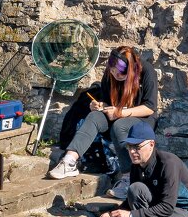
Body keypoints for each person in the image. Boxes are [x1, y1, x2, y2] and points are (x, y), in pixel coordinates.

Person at [47, 46, 158, 199]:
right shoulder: (110, 73)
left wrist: (120, 112)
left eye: (118, 73)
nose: (115, 75)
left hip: (142, 118)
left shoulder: (146, 71)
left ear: (130, 69)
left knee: (119, 126)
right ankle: (70, 161)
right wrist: (99, 105)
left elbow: (150, 108)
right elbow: (107, 102)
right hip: (118, 113)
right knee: (94, 117)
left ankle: (128, 178)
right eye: (112, 72)